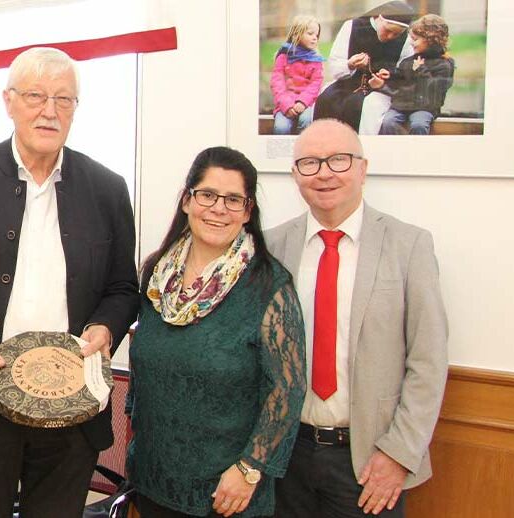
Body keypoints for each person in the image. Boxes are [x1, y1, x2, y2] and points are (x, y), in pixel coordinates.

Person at [0, 47, 140, 518]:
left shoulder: (107, 189)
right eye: (36, 95)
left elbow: (123, 289)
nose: (50, 110)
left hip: (72, 407)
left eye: (64, 100)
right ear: (9, 101)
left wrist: (104, 329)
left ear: (76, 110)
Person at [268, 119, 449, 517]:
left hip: (369, 461)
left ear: (363, 168)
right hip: (286, 456)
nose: (325, 173)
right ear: (295, 175)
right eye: (310, 163)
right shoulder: (272, 246)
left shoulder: (409, 245)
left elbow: (428, 361)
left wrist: (399, 453)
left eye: (339, 160)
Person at [128, 147, 306, 517]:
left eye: (233, 199)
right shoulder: (157, 274)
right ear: (187, 201)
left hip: (227, 492)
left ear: (247, 211)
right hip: (153, 478)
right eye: (207, 195)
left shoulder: (269, 286)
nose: (218, 208)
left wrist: (249, 469)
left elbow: (287, 390)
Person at [313, 1, 415, 134]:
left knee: (369, 108)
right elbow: (335, 66)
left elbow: (406, 73)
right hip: (347, 83)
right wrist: (350, 64)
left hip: (380, 90)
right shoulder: (352, 26)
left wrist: (389, 76)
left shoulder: (406, 40)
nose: (390, 37)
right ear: (379, 18)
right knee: (326, 99)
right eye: (388, 30)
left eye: (396, 34)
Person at [375, 14, 456, 135]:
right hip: (402, 106)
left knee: (419, 124)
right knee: (388, 121)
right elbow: (401, 80)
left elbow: (436, 88)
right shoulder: (408, 61)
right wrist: (389, 76)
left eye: (415, 39)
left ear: (431, 40)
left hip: (425, 108)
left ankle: (416, 151)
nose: (412, 43)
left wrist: (421, 70)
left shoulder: (444, 64)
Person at [271, 14, 325, 135]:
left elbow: (316, 84)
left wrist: (303, 102)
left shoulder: (316, 60)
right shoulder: (283, 56)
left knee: (306, 121)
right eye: (310, 34)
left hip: (307, 103)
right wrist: (287, 105)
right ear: (296, 34)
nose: (315, 38)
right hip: (285, 104)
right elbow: (277, 83)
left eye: (317, 35)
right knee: (281, 128)